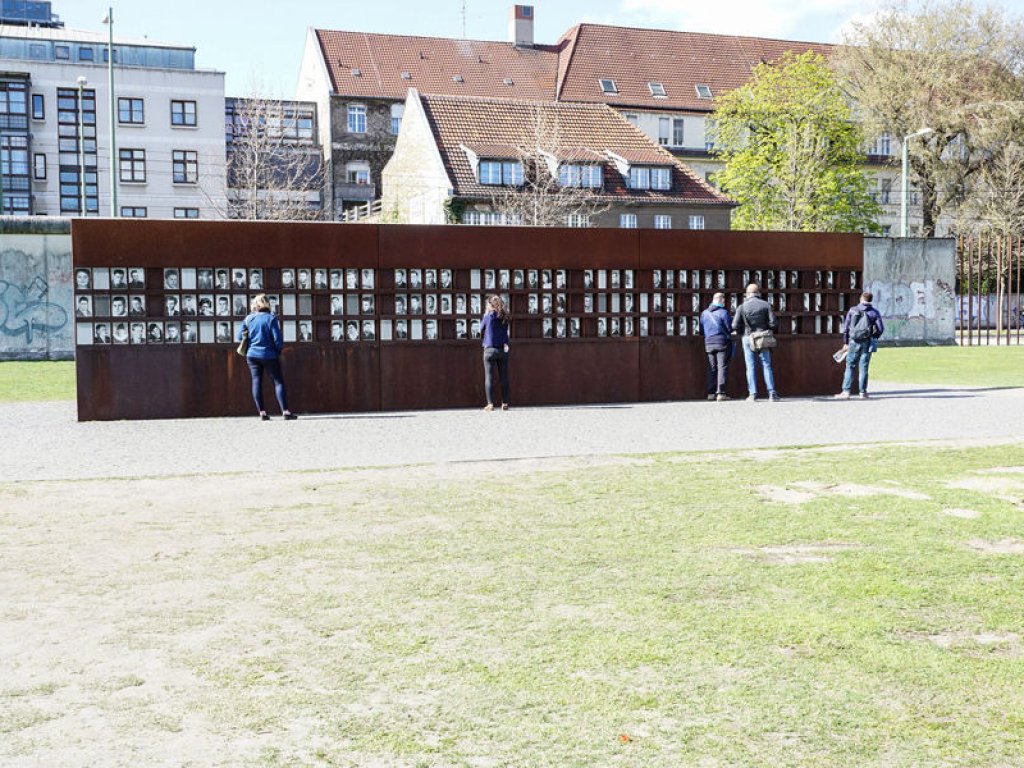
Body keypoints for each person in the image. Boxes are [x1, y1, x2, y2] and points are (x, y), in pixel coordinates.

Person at [238, 294, 295, 421]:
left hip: (252, 355)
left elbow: (239, 337)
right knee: (278, 381)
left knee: (256, 381)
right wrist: (277, 351)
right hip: (269, 355)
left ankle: (262, 413)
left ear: (255, 304)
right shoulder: (271, 319)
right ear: (267, 304)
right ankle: (285, 412)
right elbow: (277, 339)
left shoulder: (248, 319)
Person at [732, 282, 779, 401]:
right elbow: (774, 324)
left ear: (747, 294)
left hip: (748, 337)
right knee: (766, 365)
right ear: (758, 293)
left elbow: (734, 325)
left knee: (750, 366)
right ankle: (772, 394)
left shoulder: (742, 307)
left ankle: (752, 394)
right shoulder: (766, 305)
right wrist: (765, 326)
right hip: (762, 337)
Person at [835, 291, 885, 399]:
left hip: (853, 342)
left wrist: (846, 342)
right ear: (870, 300)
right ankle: (863, 392)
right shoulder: (874, 312)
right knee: (864, 367)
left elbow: (846, 328)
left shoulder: (853, 310)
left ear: (861, 298)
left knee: (850, 366)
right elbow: (881, 328)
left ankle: (846, 392)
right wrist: (874, 336)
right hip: (867, 342)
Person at [700, 292, 734, 401]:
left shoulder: (704, 313)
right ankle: (721, 393)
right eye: (723, 300)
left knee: (712, 368)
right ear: (721, 300)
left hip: (708, 343)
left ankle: (710, 393)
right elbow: (729, 328)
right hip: (721, 342)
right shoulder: (723, 312)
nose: (724, 302)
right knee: (722, 367)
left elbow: (701, 329)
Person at [480, 295, 511, 411]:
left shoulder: (488, 316)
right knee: (504, 377)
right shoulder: (505, 316)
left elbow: (480, 328)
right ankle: (505, 403)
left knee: (489, 377)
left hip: (489, 349)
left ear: (490, 305)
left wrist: (485, 315)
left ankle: (490, 404)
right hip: (502, 349)